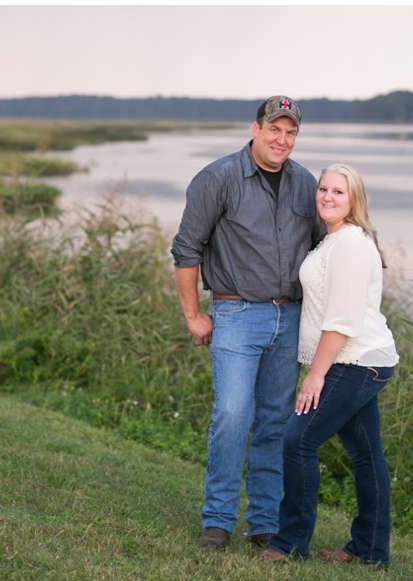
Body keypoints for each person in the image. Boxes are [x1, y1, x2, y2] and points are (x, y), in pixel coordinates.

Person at [170, 96, 319, 551]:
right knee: (233, 416)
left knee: (275, 423)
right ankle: (217, 520)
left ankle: (263, 524)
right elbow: (186, 250)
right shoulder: (218, 178)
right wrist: (194, 315)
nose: (282, 139)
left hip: (289, 318)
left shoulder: (305, 183)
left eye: (290, 132)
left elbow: (322, 249)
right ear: (256, 129)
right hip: (236, 315)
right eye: (274, 129)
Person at [255, 164, 399, 566]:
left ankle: (289, 545)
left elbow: (342, 320)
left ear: (354, 199)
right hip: (354, 360)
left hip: (356, 362)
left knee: (298, 440)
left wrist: (315, 375)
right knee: (367, 456)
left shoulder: (351, 243)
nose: (327, 197)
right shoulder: (332, 240)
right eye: (323, 189)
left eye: (338, 191)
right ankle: (370, 551)